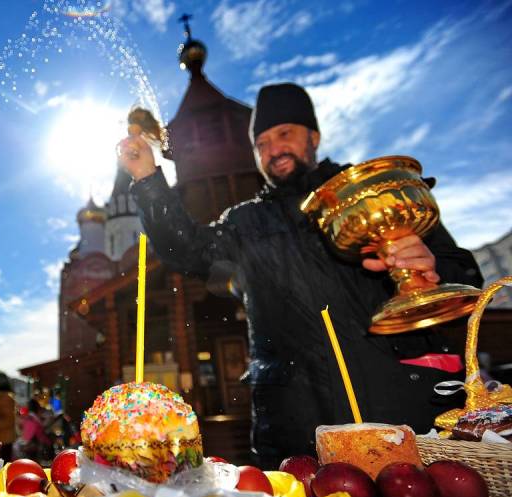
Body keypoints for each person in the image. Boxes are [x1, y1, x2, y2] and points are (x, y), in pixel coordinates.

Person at [117, 83, 484, 468]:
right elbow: (186, 248)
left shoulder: (373, 194)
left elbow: (465, 275)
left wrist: (431, 270)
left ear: (314, 136)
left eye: (284, 134)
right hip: (296, 430)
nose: (273, 150)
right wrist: (146, 178)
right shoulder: (246, 222)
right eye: (261, 144)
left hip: (406, 413)